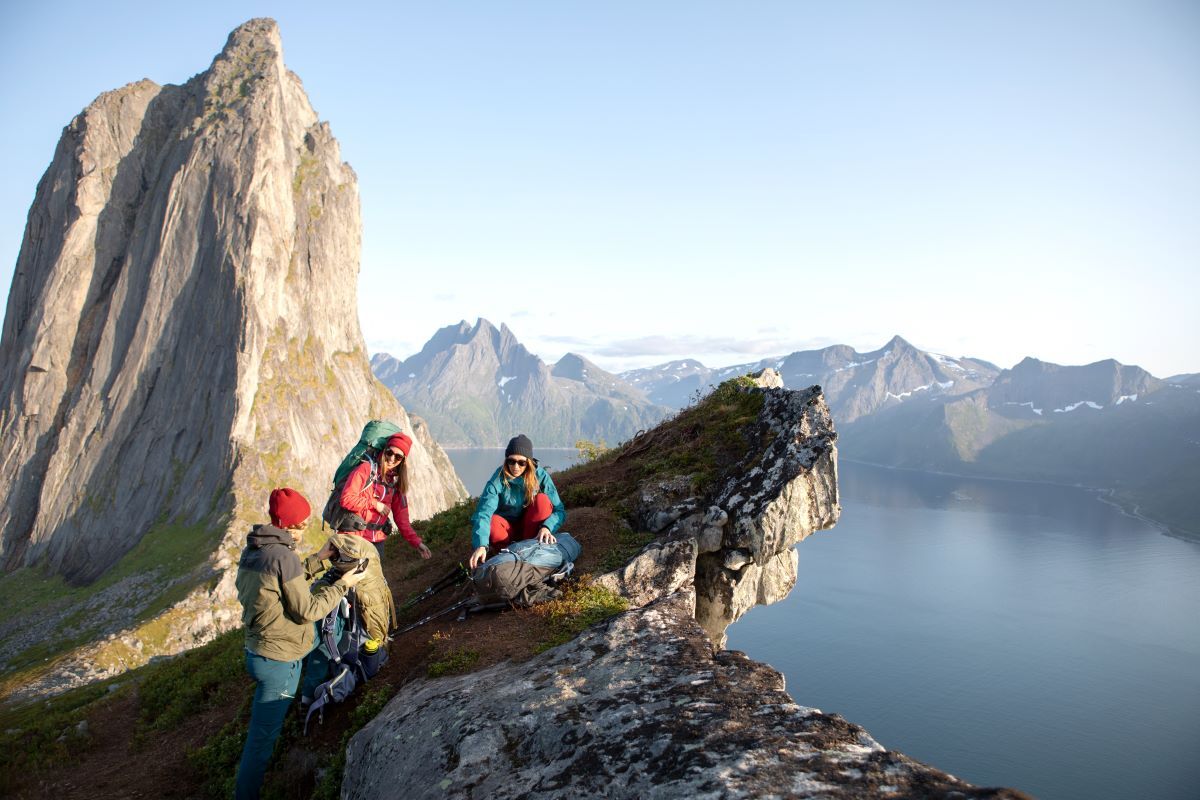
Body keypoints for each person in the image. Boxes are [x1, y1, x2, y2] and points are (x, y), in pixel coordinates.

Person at [234, 487, 368, 800]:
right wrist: (342, 585)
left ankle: (308, 696)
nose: (305, 529)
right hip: (279, 660)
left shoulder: (256, 549)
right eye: (303, 524)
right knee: (260, 743)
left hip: (258, 650)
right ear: (291, 526)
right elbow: (307, 610)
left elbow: (283, 584)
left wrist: (320, 560)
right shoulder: (284, 556)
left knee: (326, 636)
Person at [468, 434, 567, 569]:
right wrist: (481, 545)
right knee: (493, 521)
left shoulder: (540, 476)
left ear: (529, 462)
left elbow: (559, 510)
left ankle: (531, 547)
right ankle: (506, 555)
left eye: (521, 462)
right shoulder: (497, 480)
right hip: (507, 531)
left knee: (542, 501)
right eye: (511, 461)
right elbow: (483, 513)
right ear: (506, 460)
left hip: (531, 530)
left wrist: (547, 526)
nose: (516, 466)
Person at [336, 432, 432, 561]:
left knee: (375, 581)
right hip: (354, 538)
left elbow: (402, 519)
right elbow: (346, 499)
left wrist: (417, 543)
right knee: (350, 579)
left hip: (377, 542)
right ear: (384, 450)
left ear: (402, 461)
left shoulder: (396, 483)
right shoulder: (365, 469)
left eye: (398, 457)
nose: (392, 459)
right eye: (389, 453)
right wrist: (375, 504)